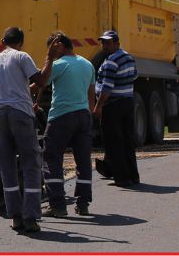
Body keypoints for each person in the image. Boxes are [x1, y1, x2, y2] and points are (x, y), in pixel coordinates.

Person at [0, 27, 64, 233]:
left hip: (0, 115)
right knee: (31, 164)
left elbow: (8, 89)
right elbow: (41, 81)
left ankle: (15, 216)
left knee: (8, 166)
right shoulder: (22, 56)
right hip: (20, 113)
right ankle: (30, 216)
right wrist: (49, 59)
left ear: (3, 41)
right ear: (21, 42)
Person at [34, 31, 96, 217]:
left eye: (52, 47)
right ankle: (83, 203)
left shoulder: (59, 64)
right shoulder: (88, 64)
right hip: (83, 115)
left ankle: (58, 206)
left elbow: (41, 82)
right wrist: (90, 115)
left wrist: (49, 58)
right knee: (83, 160)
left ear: (58, 45)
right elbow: (91, 94)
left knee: (51, 158)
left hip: (61, 116)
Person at [93, 30, 140, 187]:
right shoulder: (128, 57)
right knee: (128, 140)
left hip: (112, 105)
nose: (104, 45)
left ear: (116, 43)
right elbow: (134, 76)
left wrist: (98, 106)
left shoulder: (111, 62)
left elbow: (106, 87)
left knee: (114, 142)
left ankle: (122, 178)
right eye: (103, 42)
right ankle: (133, 176)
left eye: (108, 42)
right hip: (127, 102)